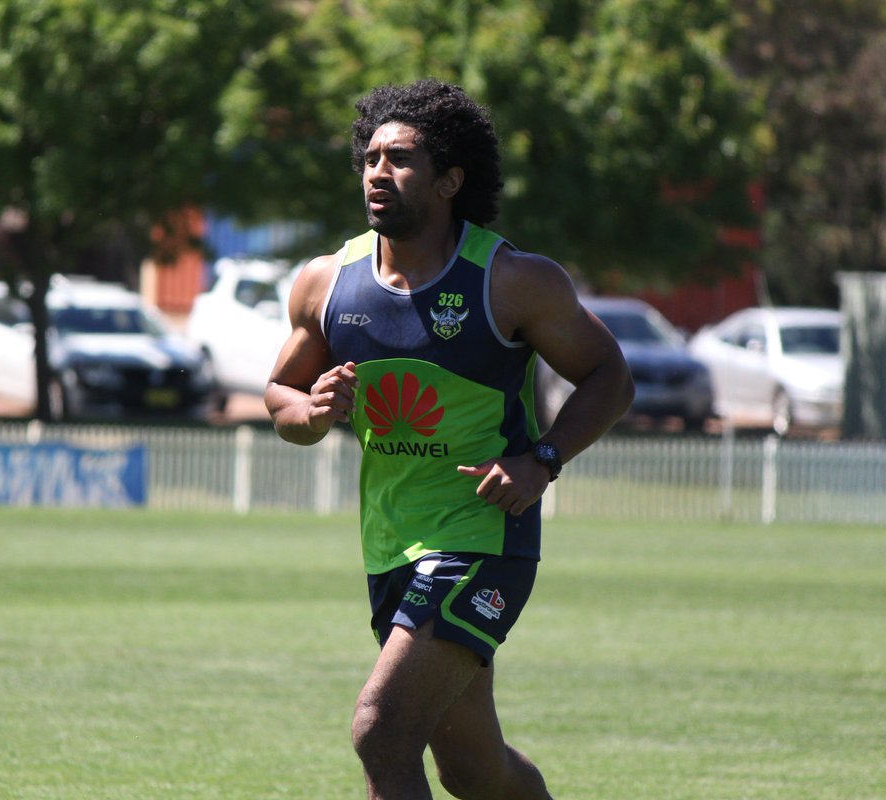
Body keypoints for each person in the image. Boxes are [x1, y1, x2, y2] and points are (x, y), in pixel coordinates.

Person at [265, 78, 634, 800]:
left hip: (484, 538)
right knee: (473, 770)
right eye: (370, 158)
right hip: (389, 543)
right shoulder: (325, 284)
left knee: (381, 729)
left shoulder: (511, 281)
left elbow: (610, 378)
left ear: (449, 181)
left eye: (400, 159)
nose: (378, 172)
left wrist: (543, 460)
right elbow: (280, 394)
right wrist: (310, 414)